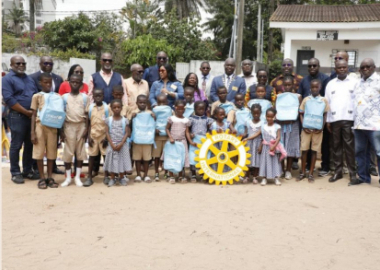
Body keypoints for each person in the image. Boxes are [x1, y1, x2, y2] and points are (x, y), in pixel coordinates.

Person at [2, 56, 39, 184]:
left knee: (29, 145)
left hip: (31, 117)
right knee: (16, 145)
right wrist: (26, 112)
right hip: (17, 116)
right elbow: (9, 100)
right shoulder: (7, 79)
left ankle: (27, 170)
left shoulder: (29, 79)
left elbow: (35, 95)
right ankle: (16, 172)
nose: (21, 65)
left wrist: (33, 113)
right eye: (18, 63)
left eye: (23, 63)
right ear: (11, 64)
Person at [325, 60, 357, 184]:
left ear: (347, 68)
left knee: (349, 147)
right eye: (339, 68)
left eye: (344, 67)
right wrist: (328, 120)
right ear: (335, 69)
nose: (342, 69)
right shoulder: (331, 84)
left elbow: (357, 102)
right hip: (334, 120)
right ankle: (337, 172)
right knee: (336, 147)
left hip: (349, 120)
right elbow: (327, 103)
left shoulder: (354, 83)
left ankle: (352, 174)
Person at [298, 58, 331, 176]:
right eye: (310, 66)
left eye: (314, 65)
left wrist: (323, 124)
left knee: (322, 146)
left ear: (319, 66)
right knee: (305, 148)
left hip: (319, 121)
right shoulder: (304, 80)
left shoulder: (326, 79)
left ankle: (324, 167)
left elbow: (327, 98)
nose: (312, 68)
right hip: (307, 120)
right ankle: (305, 168)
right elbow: (300, 96)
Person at [350, 58, 380, 186]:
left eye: (368, 67)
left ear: (374, 67)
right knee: (360, 152)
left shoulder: (379, 82)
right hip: (359, 124)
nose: (365, 69)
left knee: (379, 152)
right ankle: (363, 178)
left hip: (375, 124)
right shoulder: (357, 83)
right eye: (363, 67)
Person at [30, 73, 60, 189]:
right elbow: (33, 115)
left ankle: (50, 177)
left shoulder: (56, 96)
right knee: (39, 152)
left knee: (52, 152)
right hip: (40, 126)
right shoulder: (36, 96)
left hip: (53, 127)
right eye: (45, 82)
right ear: (40, 83)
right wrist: (32, 132)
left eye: (50, 82)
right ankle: (42, 177)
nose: (48, 84)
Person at [60, 74, 88, 187]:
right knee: (68, 152)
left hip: (81, 126)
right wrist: (61, 131)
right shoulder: (65, 97)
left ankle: (77, 177)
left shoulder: (85, 97)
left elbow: (87, 115)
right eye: (72, 82)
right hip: (68, 126)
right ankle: (68, 177)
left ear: (81, 84)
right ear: (69, 83)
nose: (75, 84)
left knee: (80, 152)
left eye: (77, 82)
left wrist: (86, 130)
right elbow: (61, 114)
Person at [276, 76, 302, 180]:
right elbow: (276, 109)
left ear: (293, 85)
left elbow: (299, 110)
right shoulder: (279, 96)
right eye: (285, 85)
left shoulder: (298, 96)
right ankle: (282, 169)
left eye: (289, 85)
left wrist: (292, 118)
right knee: (281, 146)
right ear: (282, 86)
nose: (287, 87)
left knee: (290, 147)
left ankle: (288, 170)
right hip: (281, 124)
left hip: (293, 124)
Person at [104, 99, 132, 187]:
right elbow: (107, 132)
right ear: (111, 108)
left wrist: (121, 144)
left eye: (118, 107)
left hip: (122, 145)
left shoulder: (125, 120)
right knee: (112, 161)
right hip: (112, 144)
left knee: (122, 161)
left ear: (121, 108)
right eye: (114, 107)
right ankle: (112, 178)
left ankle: (121, 177)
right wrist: (112, 144)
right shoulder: (108, 120)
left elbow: (127, 133)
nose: (116, 109)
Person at [84, 88, 109, 187]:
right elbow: (89, 123)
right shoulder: (90, 108)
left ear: (103, 96)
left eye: (100, 95)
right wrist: (88, 137)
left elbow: (108, 124)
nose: (98, 97)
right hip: (93, 136)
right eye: (96, 95)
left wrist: (107, 137)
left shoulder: (106, 108)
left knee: (105, 156)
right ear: (93, 96)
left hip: (103, 136)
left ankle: (106, 176)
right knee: (92, 156)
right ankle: (89, 177)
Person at [186, 101, 214, 182]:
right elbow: (187, 130)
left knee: (204, 157)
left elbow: (210, 129)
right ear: (195, 109)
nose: (201, 110)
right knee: (193, 157)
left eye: (203, 109)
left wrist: (209, 131)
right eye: (199, 109)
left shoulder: (208, 119)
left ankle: (203, 174)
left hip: (204, 140)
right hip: (195, 141)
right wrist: (190, 138)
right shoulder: (191, 119)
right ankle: (193, 174)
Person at [131, 95, 155, 183]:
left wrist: (153, 117)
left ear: (147, 103)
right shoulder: (134, 113)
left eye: (144, 103)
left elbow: (153, 124)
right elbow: (129, 125)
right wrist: (132, 117)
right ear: (136, 103)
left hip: (147, 140)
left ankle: (146, 175)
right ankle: (138, 175)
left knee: (146, 159)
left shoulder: (150, 113)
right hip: (137, 140)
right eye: (140, 102)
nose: (142, 104)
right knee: (137, 158)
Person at [166, 99, 190, 183]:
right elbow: (167, 129)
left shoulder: (186, 120)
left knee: (181, 158)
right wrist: (170, 138)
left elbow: (187, 132)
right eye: (178, 109)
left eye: (182, 109)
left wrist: (190, 141)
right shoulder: (171, 118)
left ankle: (180, 176)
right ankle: (171, 176)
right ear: (175, 108)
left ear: (184, 109)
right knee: (172, 158)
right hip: (173, 142)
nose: (180, 111)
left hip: (182, 142)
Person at [258, 108, 283, 186]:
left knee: (275, 162)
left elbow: (278, 137)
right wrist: (260, 146)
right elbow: (262, 138)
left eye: (271, 117)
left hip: (273, 147)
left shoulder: (277, 126)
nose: (269, 118)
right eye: (268, 116)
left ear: (274, 117)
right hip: (265, 147)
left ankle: (276, 178)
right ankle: (264, 178)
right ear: (265, 116)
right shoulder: (263, 126)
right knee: (264, 162)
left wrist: (274, 146)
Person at [152, 94, 172, 182]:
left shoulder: (171, 111)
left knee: (167, 155)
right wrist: (154, 129)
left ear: (167, 102)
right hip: (157, 137)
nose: (162, 105)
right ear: (157, 103)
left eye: (164, 102)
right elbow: (151, 122)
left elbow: (173, 121)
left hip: (167, 136)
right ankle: (156, 173)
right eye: (160, 103)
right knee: (156, 156)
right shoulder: (154, 111)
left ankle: (166, 173)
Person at [242, 104, 262, 184]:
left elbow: (260, 134)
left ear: (261, 113)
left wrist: (261, 145)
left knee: (257, 161)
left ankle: (255, 176)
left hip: (257, 143)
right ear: (251, 113)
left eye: (258, 113)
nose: (256, 115)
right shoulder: (248, 122)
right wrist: (243, 137)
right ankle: (246, 176)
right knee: (248, 160)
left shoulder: (262, 123)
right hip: (249, 144)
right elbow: (246, 132)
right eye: (254, 113)